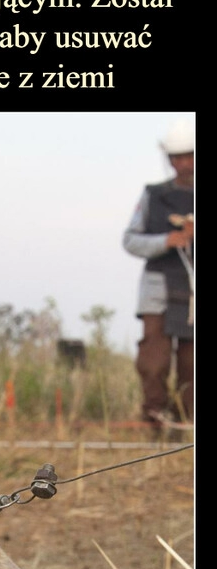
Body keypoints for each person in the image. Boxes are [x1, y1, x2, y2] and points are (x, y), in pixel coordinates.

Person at [123, 118, 194, 430]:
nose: (183, 163)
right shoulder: (152, 196)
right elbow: (130, 240)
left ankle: (188, 424)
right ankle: (155, 421)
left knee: (191, 364)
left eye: (188, 155)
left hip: (191, 290)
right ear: (169, 160)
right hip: (157, 292)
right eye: (176, 157)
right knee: (154, 361)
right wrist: (167, 240)